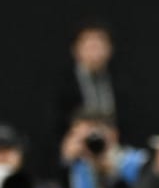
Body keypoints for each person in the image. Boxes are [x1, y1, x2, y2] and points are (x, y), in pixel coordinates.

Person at [52, 20, 121, 154]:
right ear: (76, 49)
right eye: (89, 45)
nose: (94, 51)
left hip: (113, 152)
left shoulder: (120, 84)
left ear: (109, 49)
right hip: (76, 150)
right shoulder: (63, 85)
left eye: (99, 45)